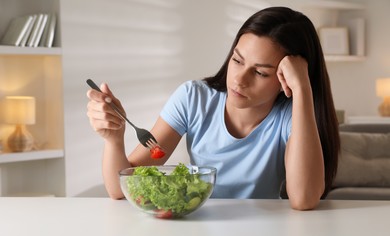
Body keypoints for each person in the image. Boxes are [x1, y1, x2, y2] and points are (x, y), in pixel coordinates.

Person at [86, 6, 340, 210]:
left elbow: (304, 199)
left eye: (261, 73)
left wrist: (303, 89)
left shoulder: (290, 115)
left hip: (267, 233)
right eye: (237, 60)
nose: (240, 79)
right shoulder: (193, 98)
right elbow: (120, 189)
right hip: (198, 227)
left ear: (286, 78)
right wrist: (114, 140)